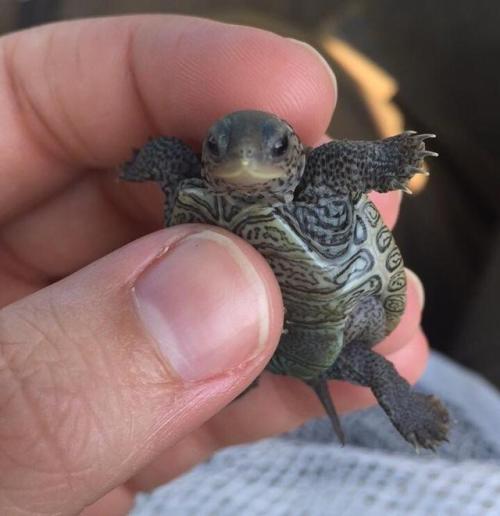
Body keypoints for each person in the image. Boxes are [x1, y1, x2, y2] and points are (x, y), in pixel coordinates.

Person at [0, 15, 432, 515]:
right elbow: (169, 157)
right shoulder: (194, 183)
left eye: (274, 150)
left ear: (292, 155)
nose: (247, 162)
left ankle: (407, 408)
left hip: (343, 313)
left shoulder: (318, 179)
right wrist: (144, 161)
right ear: (207, 156)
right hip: (265, 347)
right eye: (219, 150)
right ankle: (240, 376)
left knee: (373, 367)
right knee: (312, 367)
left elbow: (335, 161)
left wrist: (386, 160)